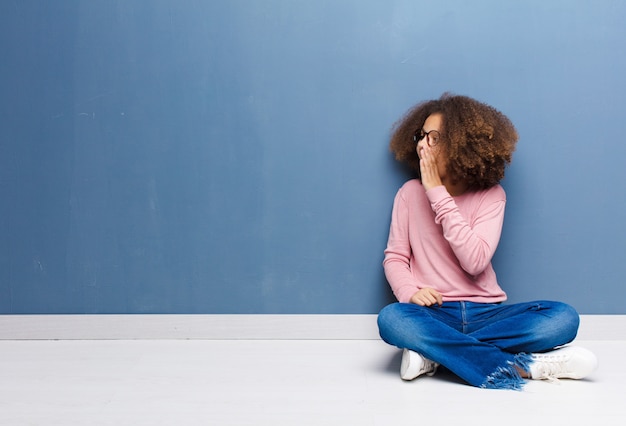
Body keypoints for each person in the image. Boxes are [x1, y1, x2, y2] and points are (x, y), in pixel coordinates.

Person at [377, 93, 598, 390]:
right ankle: (527, 367)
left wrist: (436, 192)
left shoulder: (491, 196)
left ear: (460, 143)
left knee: (562, 318)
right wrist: (409, 292)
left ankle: (434, 356)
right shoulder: (408, 193)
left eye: (433, 137)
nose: (421, 145)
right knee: (393, 319)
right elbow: (395, 257)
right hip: (433, 313)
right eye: (421, 136)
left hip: (488, 314)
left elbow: (474, 261)